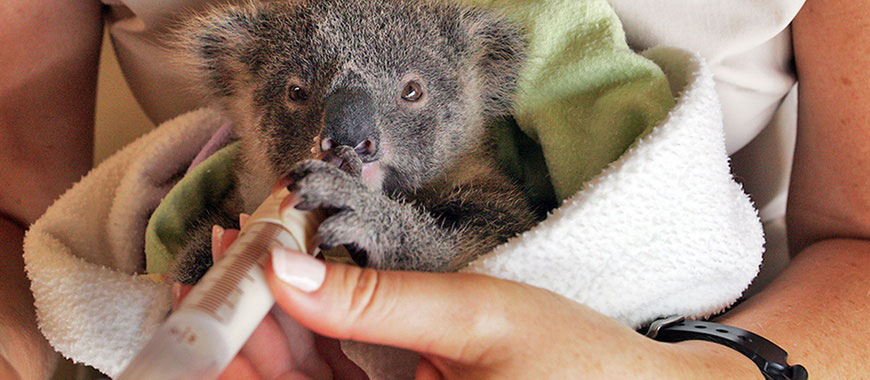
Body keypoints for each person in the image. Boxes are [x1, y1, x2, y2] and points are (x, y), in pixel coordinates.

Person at [1, 0, 866, 378]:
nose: (350, 124)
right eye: (300, 93)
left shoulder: (479, 179)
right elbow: (19, 218)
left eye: (409, 92)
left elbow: (496, 255)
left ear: (478, 86)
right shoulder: (230, 174)